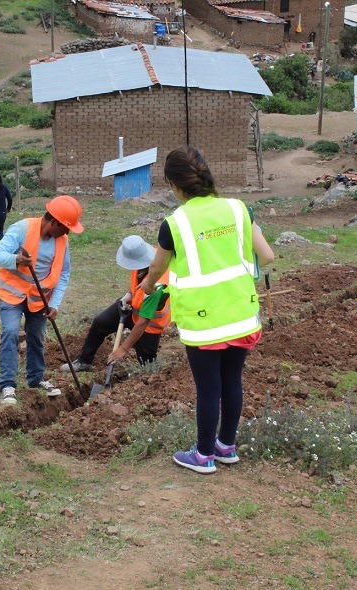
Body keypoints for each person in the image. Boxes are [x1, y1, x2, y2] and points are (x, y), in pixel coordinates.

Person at [140, 147, 274, 475]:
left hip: (203, 321)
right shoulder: (238, 209)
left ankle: (202, 456)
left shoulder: (175, 224)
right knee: (232, 380)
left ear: (173, 184)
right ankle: (226, 447)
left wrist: (146, 287)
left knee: (208, 388)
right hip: (241, 313)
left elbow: (157, 269)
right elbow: (267, 256)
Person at [0, 195, 84, 405]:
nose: (67, 232)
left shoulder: (62, 241)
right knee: (10, 332)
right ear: (53, 222)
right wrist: (15, 259)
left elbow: (64, 273)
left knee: (36, 337)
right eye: (66, 227)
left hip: (40, 299)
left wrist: (55, 304)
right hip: (12, 295)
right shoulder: (22, 229)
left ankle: (36, 379)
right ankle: (7, 385)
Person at [60, 235, 171, 373]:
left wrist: (122, 349)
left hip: (150, 325)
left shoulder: (156, 286)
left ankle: (145, 384)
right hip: (133, 307)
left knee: (147, 364)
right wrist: (128, 295)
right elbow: (135, 285)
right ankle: (84, 361)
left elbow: (143, 321)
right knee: (100, 323)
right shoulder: (140, 257)